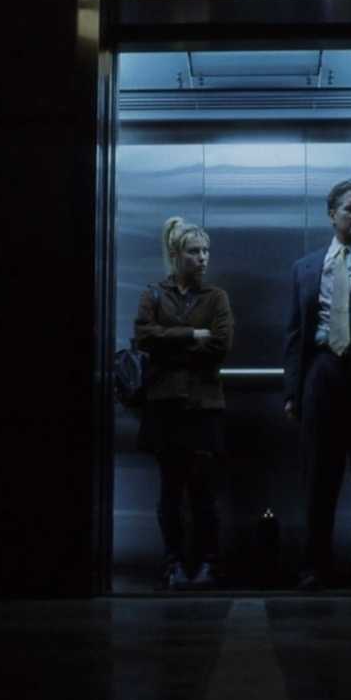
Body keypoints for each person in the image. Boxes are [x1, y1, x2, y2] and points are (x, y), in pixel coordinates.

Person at [284, 179, 351, 592]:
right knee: (319, 481)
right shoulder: (306, 267)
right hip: (323, 373)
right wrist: (292, 392)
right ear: (332, 213)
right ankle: (314, 568)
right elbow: (295, 334)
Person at [134, 217, 234, 591]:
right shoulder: (154, 294)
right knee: (171, 490)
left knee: (204, 491)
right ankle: (173, 562)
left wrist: (168, 344)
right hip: (165, 407)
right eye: (195, 251)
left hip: (204, 406)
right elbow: (144, 337)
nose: (203, 258)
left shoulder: (216, 297)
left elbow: (221, 345)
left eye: (206, 251)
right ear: (176, 255)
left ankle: (209, 562)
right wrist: (192, 334)